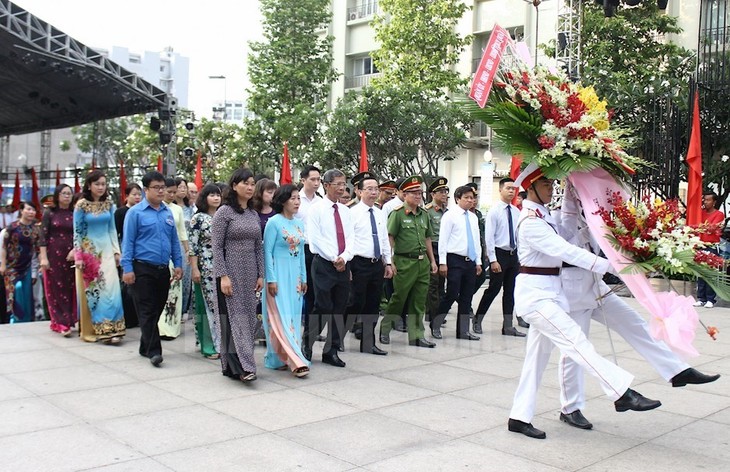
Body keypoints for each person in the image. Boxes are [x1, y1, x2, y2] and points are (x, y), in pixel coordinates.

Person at [507, 163, 661, 440]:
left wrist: (571, 184)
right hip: (537, 298)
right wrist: (617, 266)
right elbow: (568, 252)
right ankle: (621, 391)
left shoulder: (546, 217)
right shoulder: (531, 222)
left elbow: (568, 221)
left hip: (550, 294)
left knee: (536, 360)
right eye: (545, 185)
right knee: (576, 343)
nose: (550, 188)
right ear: (529, 189)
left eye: (552, 184)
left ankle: (519, 416)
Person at [554, 182, 721, 430]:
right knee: (575, 350)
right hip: (574, 289)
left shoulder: (596, 216)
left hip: (596, 286)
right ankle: (570, 408)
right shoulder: (562, 216)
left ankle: (676, 371)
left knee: (635, 323)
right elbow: (571, 245)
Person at [121, 171, 183, 367]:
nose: (161, 191)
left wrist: (179, 264)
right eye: (156, 188)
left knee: (157, 308)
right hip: (142, 268)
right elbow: (128, 242)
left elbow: (174, 241)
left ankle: (144, 344)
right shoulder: (135, 213)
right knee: (147, 309)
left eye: (162, 187)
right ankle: (155, 351)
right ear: (146, 190)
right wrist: (127, 268)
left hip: (163, 268)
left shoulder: (167, 213)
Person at [212, 168, 264, 382]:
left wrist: (261, 274)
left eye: (252, 183)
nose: (250, 187)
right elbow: (216, 246)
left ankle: (236, 366)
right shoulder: (224, 213)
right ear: (234, 186)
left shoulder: (253, 214)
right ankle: (243, 367)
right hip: (230, 273)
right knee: (233, 319)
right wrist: (223, 275)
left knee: (249, 319)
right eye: (246, 183)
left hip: (250, 272)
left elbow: (258, 247)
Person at [380, 175, 438, 348]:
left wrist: (432, 261)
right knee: (399, 298)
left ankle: (417, 335)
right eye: (413, 193)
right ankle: (385, 329)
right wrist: (390, 262)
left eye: (420, 193)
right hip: (404, 262)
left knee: (419, 300)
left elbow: (428, 238)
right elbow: (389, 238)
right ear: (404, 195)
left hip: (422, 263)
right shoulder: (397, 214)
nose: (418, 196)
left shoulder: (424, 214)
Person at [304, 169, 354, 367]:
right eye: (338, 184)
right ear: (326, 185)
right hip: (324, 264)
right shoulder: (316, 210)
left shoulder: (346, 211)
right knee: (322, 306)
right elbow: (315, 239)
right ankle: (307, 345)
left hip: (343, 264)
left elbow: (351, 238)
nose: (342, 188)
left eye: (344, 184)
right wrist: (334, 258)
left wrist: (344, 257)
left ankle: (331, 350)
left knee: (340, 308)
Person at [262, 184, 311, 376]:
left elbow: (300, 254)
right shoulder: (273, 222)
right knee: (280, 317)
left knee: (292, 317)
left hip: (295, 276)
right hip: (278, 274)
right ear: (282, 201)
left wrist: (304, 277)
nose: (297, 202)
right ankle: (295, 360)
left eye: (298, 198)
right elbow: (266, 252)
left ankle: (279, 358)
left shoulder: (299, 224)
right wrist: (271, 279)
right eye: (293, 198)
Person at [74, 170, 125, 343]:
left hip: (108, 253)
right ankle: (101, 329)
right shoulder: (81, 205)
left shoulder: (109, 204)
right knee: (96, 293)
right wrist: (78, 256)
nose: (101, 187)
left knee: (112, 290)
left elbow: (112, 229)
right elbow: (77, 232)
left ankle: (115, 327)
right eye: (97, 184)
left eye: (103, 184)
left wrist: (117, 252)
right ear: (89, 185)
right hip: (90, 255)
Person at [347, 172, 392, 355]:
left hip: (376, 264)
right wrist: (348, 265)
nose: (374, 192)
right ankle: (338, 337)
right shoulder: (352, 213)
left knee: (373, 305)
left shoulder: (380, 213)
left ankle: (368, 343)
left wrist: (388, 262)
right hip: (358, 263)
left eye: (376, 189)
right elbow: (348, 240)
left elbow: (383, 240)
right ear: (358, 191)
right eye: (369, 189)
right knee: (355, 303)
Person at [474, 177, 527, 336]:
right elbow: (489, 238)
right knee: (493, 289)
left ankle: (508, 325)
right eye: (508, 188)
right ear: (500, 190)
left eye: (513, 189)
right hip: (499, 254)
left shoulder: (517, 211)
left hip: (513, 255)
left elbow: (519, 236)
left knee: (510, 291)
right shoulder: (494, 211)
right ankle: (477, 319)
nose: (511, 191)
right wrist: (493, 260)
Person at [431, 185, 482, 341]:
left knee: (467, 296)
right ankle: (436, 324)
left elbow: (476, 241)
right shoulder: (450, 215)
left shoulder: (473, 217)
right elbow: (443, 240)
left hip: (470, 261)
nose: (470, 200)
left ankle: (463, 330)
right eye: (466, 197)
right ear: (457, 199)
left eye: (472, 198)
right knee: (452, 293)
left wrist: (478, 261)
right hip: (454, 259)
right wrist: (443, 262)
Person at [189, 183, 222, 359]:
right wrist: (195, 268)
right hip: (205, 267)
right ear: (205, 198)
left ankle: (221, 342)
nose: (216, 198)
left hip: (222, 267)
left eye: (218, 195)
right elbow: (193, 246)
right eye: (212, 195)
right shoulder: (198, 219)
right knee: (206, 306)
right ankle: (208, 345)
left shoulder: (222, 216)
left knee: (220, 306)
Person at [40, 184, 76, 336]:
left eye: (69, 193)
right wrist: (43, 258)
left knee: (70, 287)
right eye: (64, 193)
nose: (67, 196)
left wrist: (75, 250)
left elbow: (80, 234)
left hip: (72, 255)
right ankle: (60, 321)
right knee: (56, 288)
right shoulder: (49, 213)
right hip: (54, 254)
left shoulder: (75, 213)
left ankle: (69, 319)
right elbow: (43, 237)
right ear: (57, 195)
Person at [1, 201, 43, 323]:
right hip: (11, 267)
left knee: (26, 294)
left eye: (33, 210)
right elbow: (4, 247)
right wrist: (3, 264)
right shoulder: (12, 227)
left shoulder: (35, 230)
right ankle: (14, 319)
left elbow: (38, 250)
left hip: (27, 267)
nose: (31, 212)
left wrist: (40, 265)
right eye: (28, 209)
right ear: (21, 210)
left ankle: (26, 320)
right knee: (14, 292)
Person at [158, 177, 189, 340]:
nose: (171, 195)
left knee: (175, 289)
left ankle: (171, 327)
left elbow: (182, 232)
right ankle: (160, 326)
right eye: (168, 192)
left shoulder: (177, 209)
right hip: (160, 252)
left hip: (175, 252)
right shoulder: (156, 208)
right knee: (161, 290)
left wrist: (187, 251)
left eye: (173, 192)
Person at [295, 165, 323, 345]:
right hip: (298, 249)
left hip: (316, 251)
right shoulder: (295, 200)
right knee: (298, 289)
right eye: (312, 179)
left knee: (314, 290)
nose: (316, 183)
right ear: (303, 180)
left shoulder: (321, 201)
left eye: (318, 180)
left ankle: (311, 330)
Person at [115, 182, 142, 328]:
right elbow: (117, 234)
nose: (137, 197)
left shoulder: (142, 211)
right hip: (125, 251)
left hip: (140, 253)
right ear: (126, 196)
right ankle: (127, 318)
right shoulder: (120, 212)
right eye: (134, 194)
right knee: (126, 286)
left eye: (139, 194)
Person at [694, 191, 725, 308]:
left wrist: (701, 227)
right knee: (700, 273)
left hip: (711, 246)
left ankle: (711, 299)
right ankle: (701, 298)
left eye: (708, 200)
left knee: (710, 273)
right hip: (700, 245)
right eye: (704, 200)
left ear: (714, 202)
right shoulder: (700, 213)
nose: (705, 202)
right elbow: (696, 227)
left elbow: (711, 228)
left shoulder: (719, 214)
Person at [425, 177, 448, 324]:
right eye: (440, 192)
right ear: (433, 195)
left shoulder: (448, 211)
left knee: (441, 283)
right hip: (432, 248)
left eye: (445, 191)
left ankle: (435, 312)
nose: (444, 194)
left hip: (444, 249)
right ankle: (433, 315)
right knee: (433, 283)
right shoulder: (427, 211)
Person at [174, 177, 194, 321]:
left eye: (184, 187)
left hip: (188, 246)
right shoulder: (170, 207)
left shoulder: (191, 208)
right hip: (175, 245)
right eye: (179, 187)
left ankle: (182, 310)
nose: (182, 190)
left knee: (187, 280)